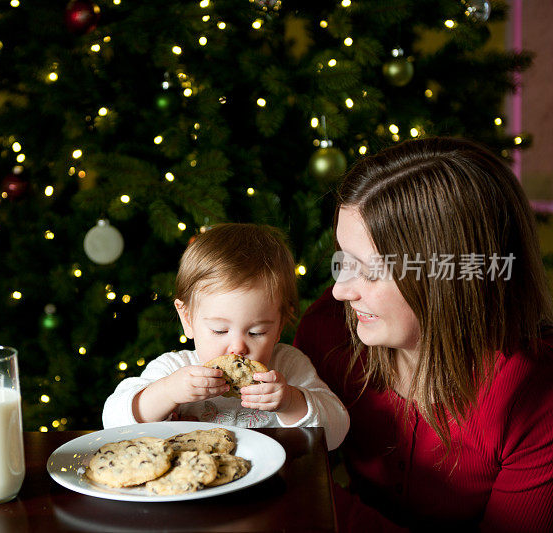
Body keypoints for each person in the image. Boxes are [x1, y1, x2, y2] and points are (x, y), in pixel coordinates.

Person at [293, 137, 553, 532]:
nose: (341, 290)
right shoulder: (328, 330)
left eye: (371, 269)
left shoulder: (535, 396)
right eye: (343, 260)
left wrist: (317, 503)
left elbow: (294, 490)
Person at [102, 223, 350, 451]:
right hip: (194, 491)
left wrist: (291, 402)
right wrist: (167, 393)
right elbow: (112, 422)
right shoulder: (174, 369)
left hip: (273, 491)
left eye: (257, 332)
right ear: (187, 319)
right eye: (220, 330)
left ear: (280, 324)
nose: (237, 348)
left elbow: (337, 432)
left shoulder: (289, 366)